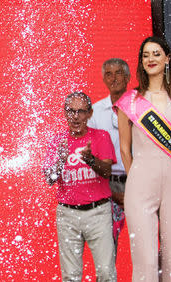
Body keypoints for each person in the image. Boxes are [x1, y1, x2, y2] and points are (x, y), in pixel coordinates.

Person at [115, 36, 171, 282]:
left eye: (156, 53)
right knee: (145, 261)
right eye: (146, 55)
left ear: (167, 58)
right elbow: (124, 148)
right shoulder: (129, 101)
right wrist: (136, 179)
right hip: (140, 184)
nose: (151, 59)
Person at [43, 92, 117, 281]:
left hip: (98, 213)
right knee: (70, 276)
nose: (76, 116)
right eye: (71, 111)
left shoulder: (101, 136)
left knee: (106, 273)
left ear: (90, 114)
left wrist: (90, 160)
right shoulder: (56, 141)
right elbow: (50, 179)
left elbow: (107, 172)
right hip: (68, 215)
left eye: (81, 111)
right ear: (65, 113)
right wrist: (60, 161)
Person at [87, 58, 130, 253]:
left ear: (128, 76)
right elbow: (90, 157)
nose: (114, 78)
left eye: (118, 73)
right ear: (103, 79)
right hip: (107, 184)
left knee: (149, 241)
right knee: (107, 247)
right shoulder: (94, 112)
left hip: (139, 181)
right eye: (108, 74)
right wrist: (111, 192)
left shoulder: (140, 108)